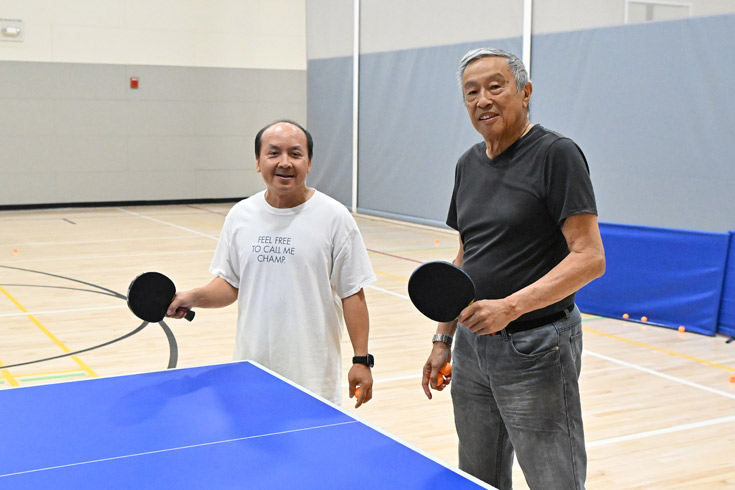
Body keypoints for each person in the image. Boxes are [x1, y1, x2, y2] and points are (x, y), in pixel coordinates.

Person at [421, 48, 605, 489]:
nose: (482, 99)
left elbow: (589, 257)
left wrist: (510, 307)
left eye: (495, 86)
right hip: (472, 347)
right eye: (471, 92)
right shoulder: (467, 164)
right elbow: (465, 258)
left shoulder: (556, 155)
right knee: (478, 475)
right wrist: (444, 339)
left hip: (536, 347)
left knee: (553, 479)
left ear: (525, 93)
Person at [167, 120, 376, 408]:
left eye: (295, 154)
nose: (285, 163)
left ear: (309, 163)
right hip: (250, 371)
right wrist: (193, 297)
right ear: (258, 162)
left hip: (312, 378)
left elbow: (353, 293)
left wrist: (361, 360)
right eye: (274, 153)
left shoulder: (335, 217)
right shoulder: (240, 215)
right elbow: (230, 284)